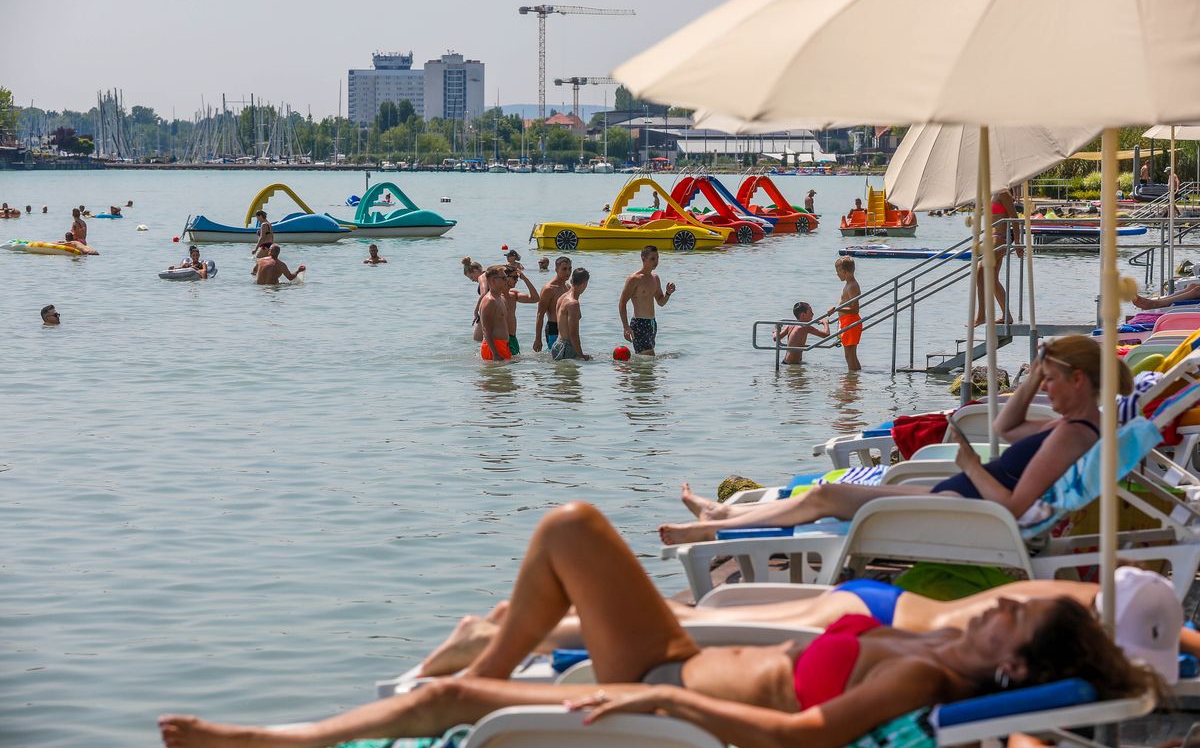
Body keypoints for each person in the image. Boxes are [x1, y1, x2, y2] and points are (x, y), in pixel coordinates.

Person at [157, 502, 1159, 748]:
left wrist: (645, 694)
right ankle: (492, 689)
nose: (1007, 598)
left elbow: (797, 736)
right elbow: (785, 657)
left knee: (449, 688)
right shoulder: (937, 649)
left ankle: (265, 740)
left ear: (1015, 656)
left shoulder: (926, 683)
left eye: (1016, 609)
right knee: (571, 529)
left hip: (671, 702)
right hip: (676, 658)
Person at [659, 335, 1126, 544]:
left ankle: (714, 527)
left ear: (1080, 380)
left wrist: (968, 467)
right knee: (828, 496)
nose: (1045, 389)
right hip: (957, 499)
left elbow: (1013, 507)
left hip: (973, 512)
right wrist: (1034, 375)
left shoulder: (1070, 436)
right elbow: (1005, 428)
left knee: (827, 495)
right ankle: (725, 514)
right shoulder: (1077, 428)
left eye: (1050, 382)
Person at [414, 568, 1186, 683]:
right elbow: (1176, 643)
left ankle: (521, 622)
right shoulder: (1078, 619)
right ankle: (515, 635)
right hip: (874, 617)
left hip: (878, 602)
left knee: (686, 615)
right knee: (687, 626)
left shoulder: (1075, 591)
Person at [619, 245, 676, 356]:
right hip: (639, 324)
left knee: (646, 363)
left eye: (657, 258)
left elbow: (660, 302)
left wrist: (668, 293)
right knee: (649, 359)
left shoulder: (655, 278)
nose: (656, 262)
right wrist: (626, 327)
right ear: (643, 259)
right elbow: (622, 303)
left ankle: (629, 369)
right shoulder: (634, 279)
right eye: (652, 259)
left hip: (652, 324)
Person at [976, 188, 1017, 326]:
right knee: (992, 280)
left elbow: (1015, 218)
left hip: (1001, 238)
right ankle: (1007, 316)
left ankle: (981, 315)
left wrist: (1018, 244)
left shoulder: (1003, 194)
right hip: (991, 239)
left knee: (980, 271)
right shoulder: (990, 193)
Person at [826, 256, 862, 370]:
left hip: (851, 322)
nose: (837, 274)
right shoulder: (848, 284)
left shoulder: (852, 286)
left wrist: (837, 309)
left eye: (838, 271)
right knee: (850, 355)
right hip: (846, 322)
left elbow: (855, 309)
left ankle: (853, 381)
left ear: (844, 271)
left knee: (849, 355)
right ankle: (854, 378)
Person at [533, 256, 571, 352]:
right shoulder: (549, 289)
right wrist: (538, 339)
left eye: (570, 269)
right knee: (557, 361)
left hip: (567, 328)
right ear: (556, 269)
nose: (568, 272)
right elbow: (540, 315)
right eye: (564, 269)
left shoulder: (568, 287)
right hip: (553, 328)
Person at [551, 268, 591, 361]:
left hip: (557, 344)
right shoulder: (573, 303)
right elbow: (573, 334)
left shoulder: (562, 297)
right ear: (584, 284)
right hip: (566, 348)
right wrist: (581, 355)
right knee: (572, 376)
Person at [502, 266, 539, 355]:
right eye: (514, 277)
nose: (516, 280)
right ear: (505, 277)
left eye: (517, 278)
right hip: (503, 338)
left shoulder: (513, 295)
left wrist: (525, 279)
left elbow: (535, 298)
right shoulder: (496, 297)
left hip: (513, 338)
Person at [478, 266, 513, 361]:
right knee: (499, 375)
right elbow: (486, 330)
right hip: (494, 347)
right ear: (493, 281)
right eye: (504, 278)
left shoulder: (500, 298)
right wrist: (495, 354)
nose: (507, 280)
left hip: (502, 345)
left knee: (507, 375)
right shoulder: (490, 301)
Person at [462, 257, 487, 342]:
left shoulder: (482, 277)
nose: (473, 280)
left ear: (476, 271)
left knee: (477, 340)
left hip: (488, 312)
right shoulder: (489, 274)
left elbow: (483, 294)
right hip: (492, 310)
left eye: (472, 278)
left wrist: (476, 311)